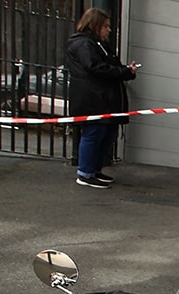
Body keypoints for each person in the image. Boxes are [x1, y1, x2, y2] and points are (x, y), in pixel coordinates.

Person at [65, 8, 137, 188]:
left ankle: (94, 170)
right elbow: (96, 67)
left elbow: (105, 66)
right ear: (95, 26)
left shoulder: (96, 44)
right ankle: (85, 172)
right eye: (105, 26)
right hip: (94, 100)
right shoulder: (84, 44)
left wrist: (125, 71)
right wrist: (124, 71)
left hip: (102, 99)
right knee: (94, 134)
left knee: (105, 135)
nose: (108, 30)